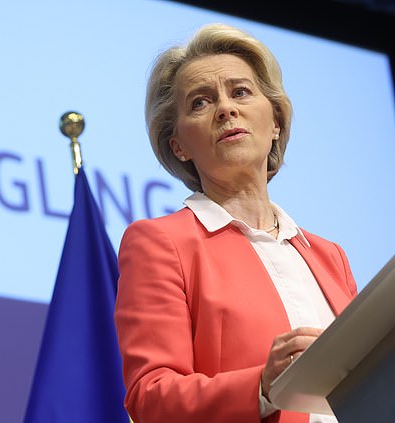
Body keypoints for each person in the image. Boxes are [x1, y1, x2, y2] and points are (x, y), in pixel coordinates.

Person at [114, 24, 357, 423]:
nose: (226, 109)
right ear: (179, 145)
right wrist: (262, 386)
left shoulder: (330, 257)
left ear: (275, 120)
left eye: (241, 92)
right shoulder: (161, 242)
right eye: (200, 103)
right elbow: (151, 398)